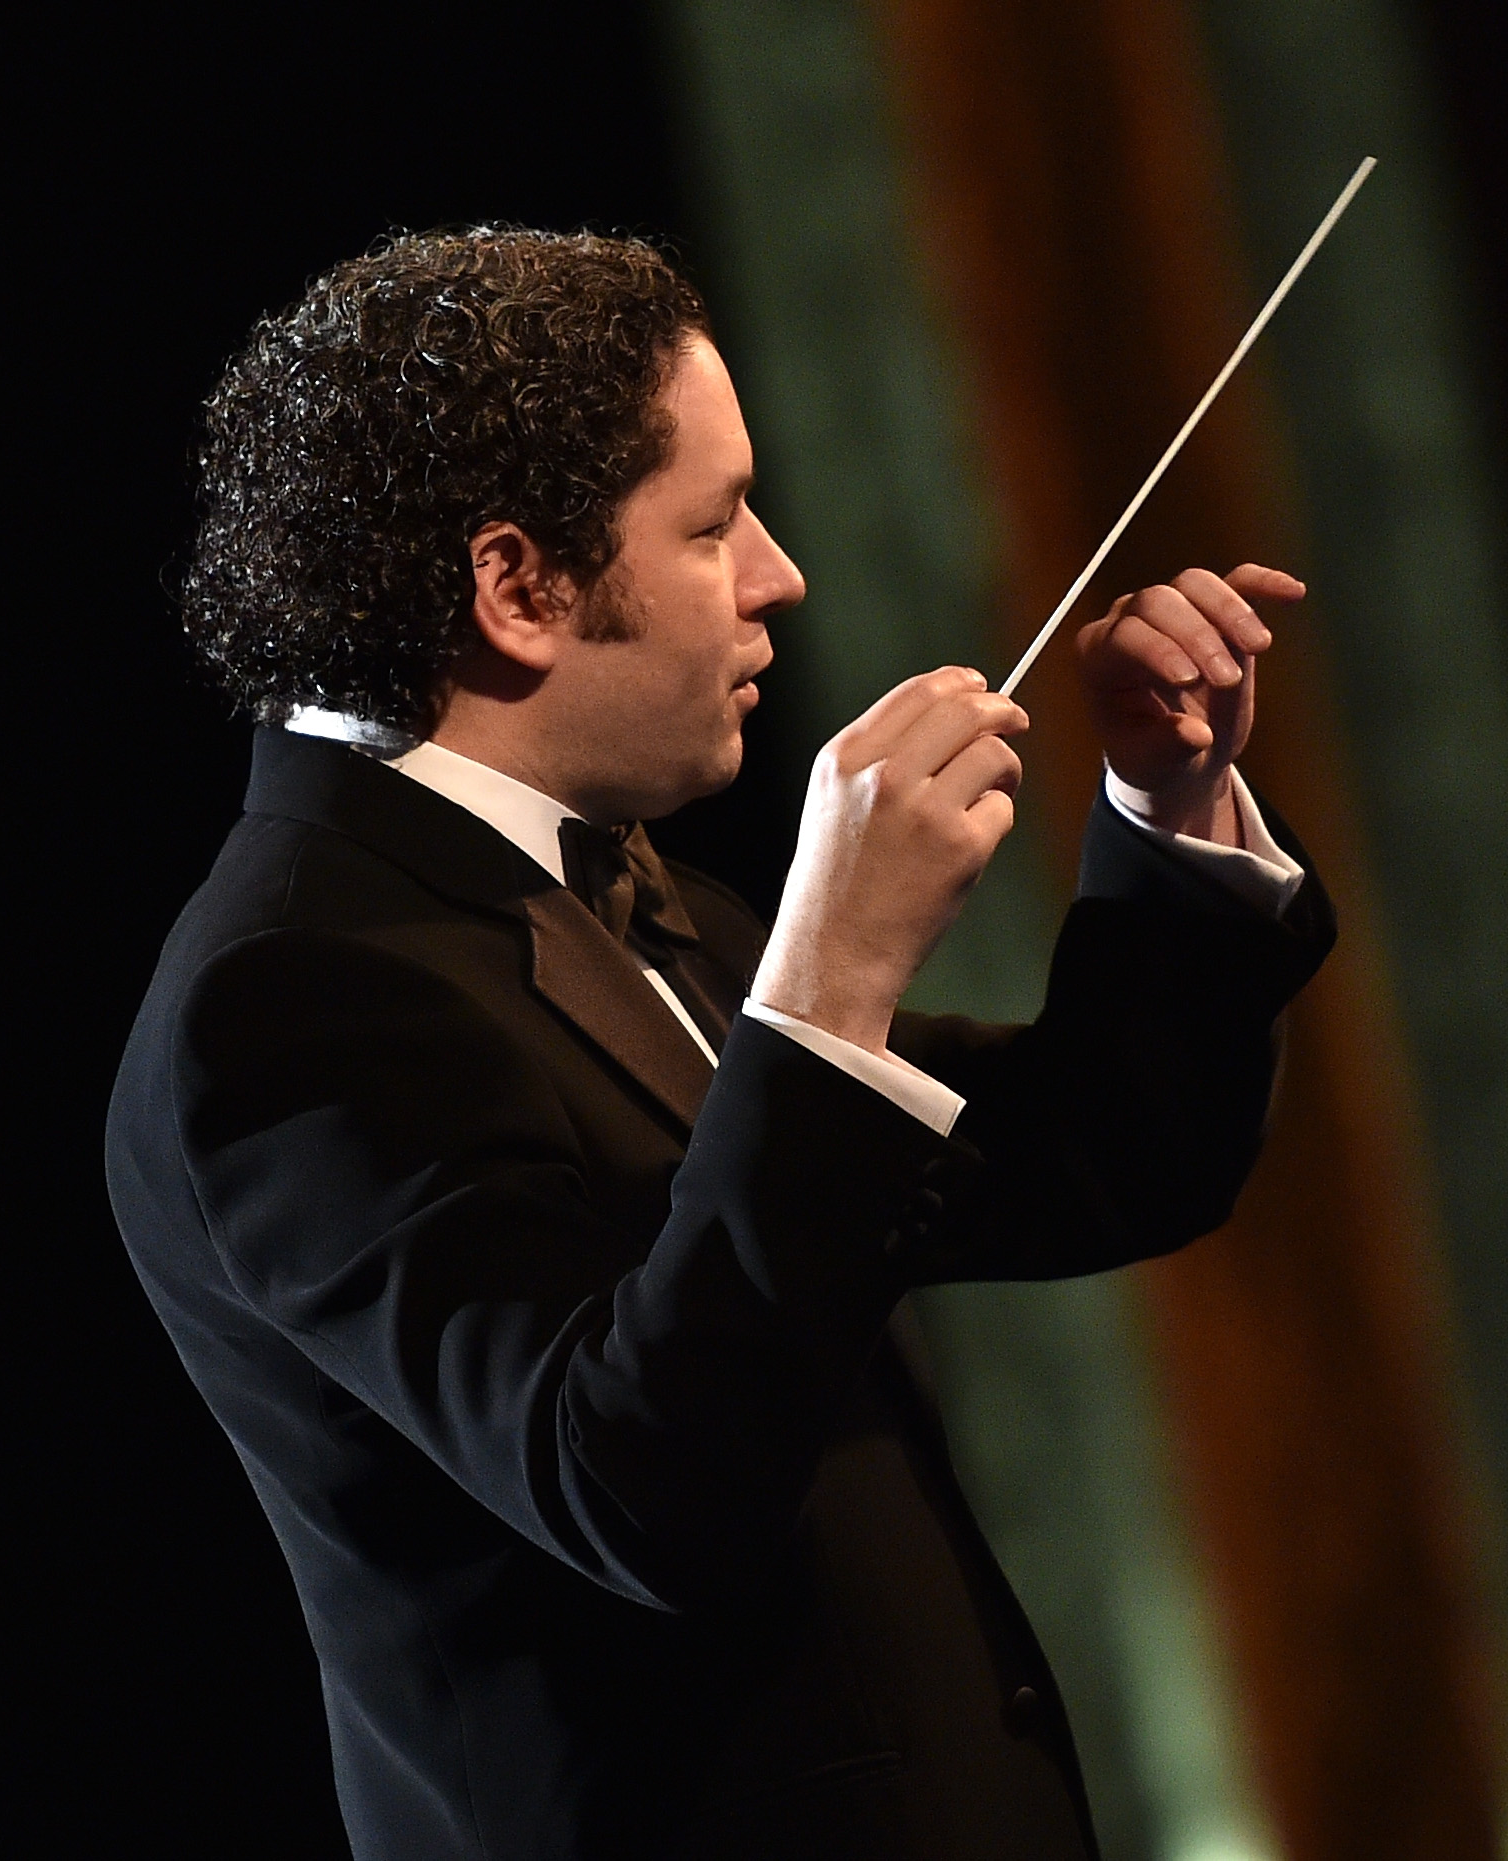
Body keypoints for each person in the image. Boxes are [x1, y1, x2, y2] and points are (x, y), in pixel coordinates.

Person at [106, 228, 1335, 1861]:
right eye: (712, 522)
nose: (777, 575)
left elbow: (1102, 1160)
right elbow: (634, 1486)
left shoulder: (620, 894)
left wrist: (1167, 811)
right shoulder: (290, 995)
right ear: (520, 586)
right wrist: (828, 981)